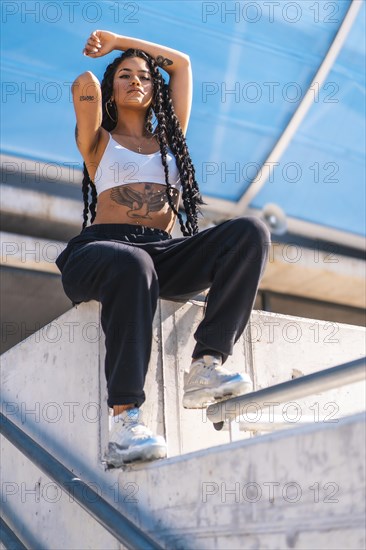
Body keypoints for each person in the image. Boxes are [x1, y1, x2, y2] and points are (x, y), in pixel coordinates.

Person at [55, 30, 270, 467]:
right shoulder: (98, 141)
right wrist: (96, 83)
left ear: (157, 91)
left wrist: (119, 43)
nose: (137, 81)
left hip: (162, 252)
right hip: (102, 251)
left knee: (249, 231)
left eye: (145, 77)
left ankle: (207, 363)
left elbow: (182, 64)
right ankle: (125, 421)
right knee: (133, 264)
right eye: (126, 77)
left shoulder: (171, 141)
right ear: (113, 89)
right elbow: (83, 89)